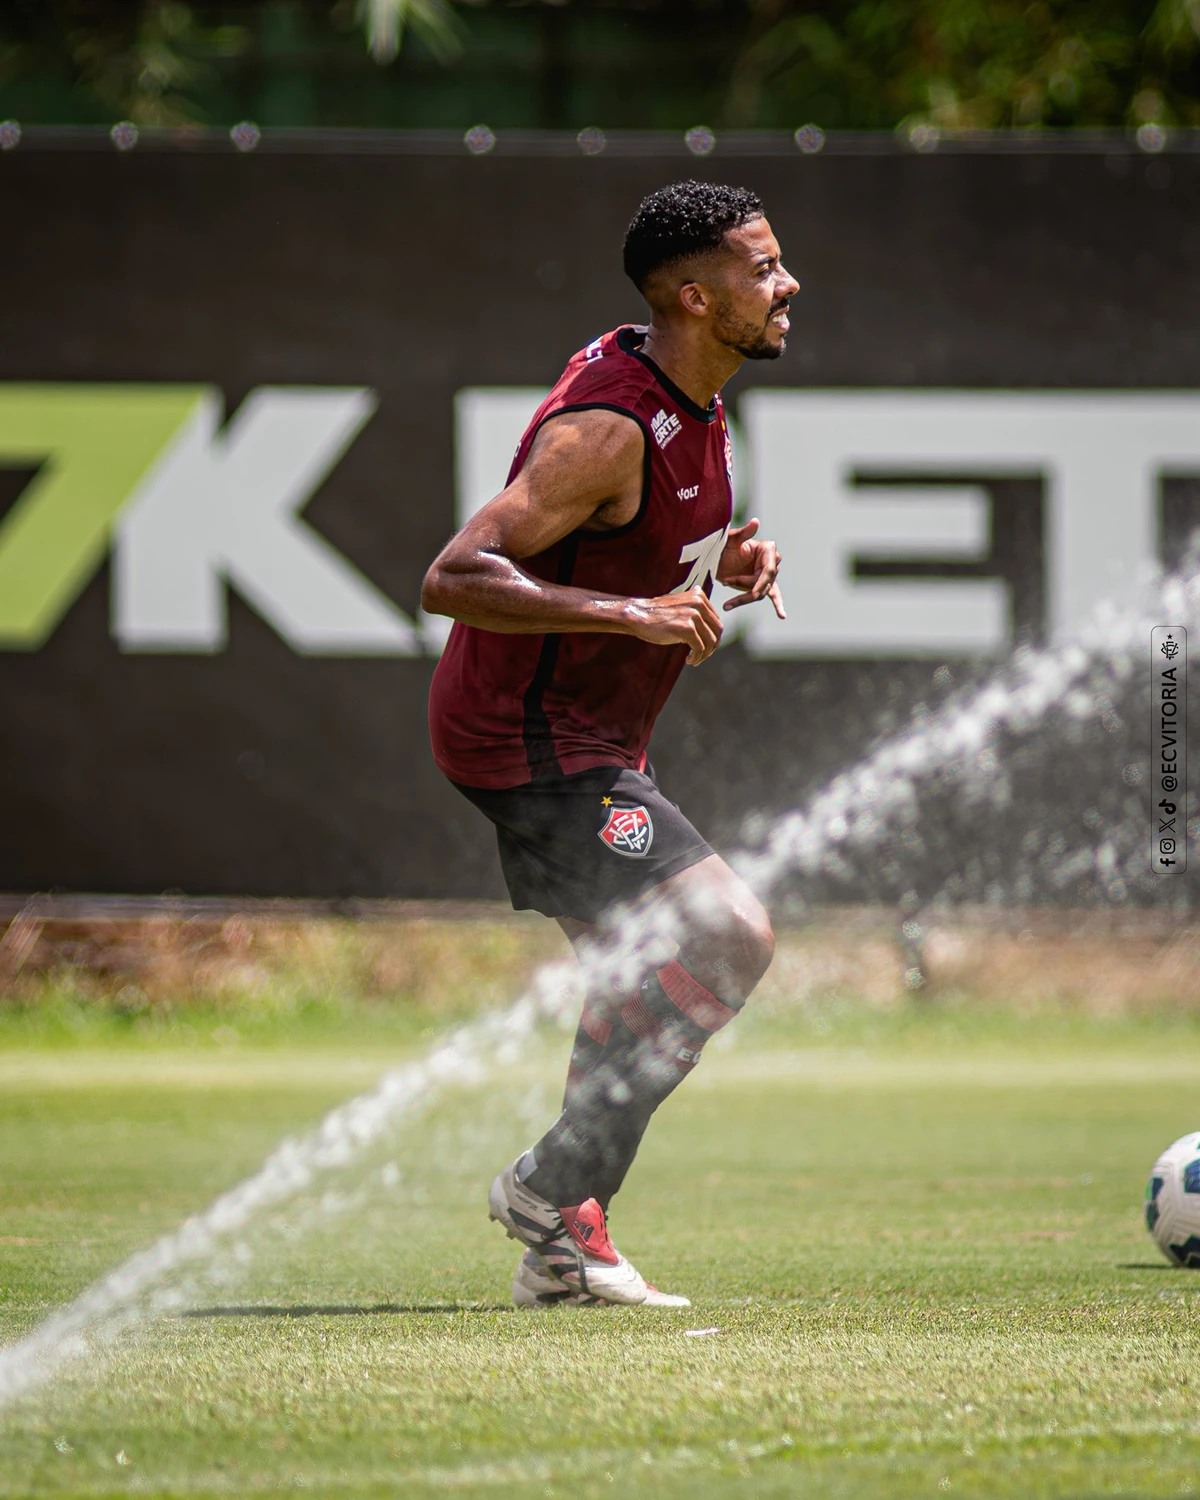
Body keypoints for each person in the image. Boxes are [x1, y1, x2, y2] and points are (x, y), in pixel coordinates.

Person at [422, 179, 797, 1308]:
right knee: (731, 935)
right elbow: (454, 575)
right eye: (762, 268)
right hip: (530, 739)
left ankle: (565, 1247)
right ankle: (552, 1187)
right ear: (695, 296)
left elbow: (629, 537)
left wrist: (719, 564)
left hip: (585, 732)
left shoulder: (692, 394)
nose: (788, 284)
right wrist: (635, 614)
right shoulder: (608, 428)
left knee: (628, 984)